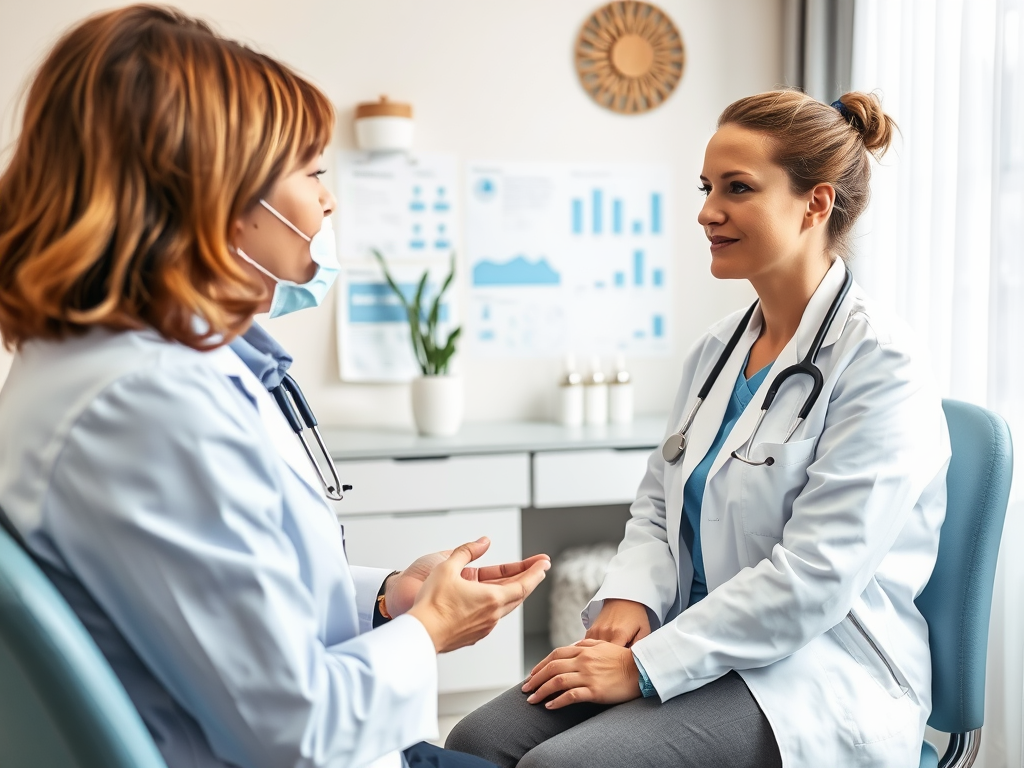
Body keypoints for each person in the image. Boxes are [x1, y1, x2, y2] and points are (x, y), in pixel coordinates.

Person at [0, 6, 550, 768]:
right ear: (211, 193)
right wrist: (428, 632)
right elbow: (295, 729)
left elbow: (225, 592)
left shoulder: (117, 364)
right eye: (314, 171)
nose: (329, 202)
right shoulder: (148, 404)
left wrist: (388, 596)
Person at [447, 90, 950, 768]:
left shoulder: (882, 362)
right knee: (476, 741)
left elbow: (815, 577)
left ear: (816, 203)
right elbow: (659, 499)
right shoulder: (718, 350)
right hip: (700, 640)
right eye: (708, 186)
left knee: (558, 767)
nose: (707, 211)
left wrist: (648, 664)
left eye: (737, 188)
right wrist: (631, 596)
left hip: (812, 670)